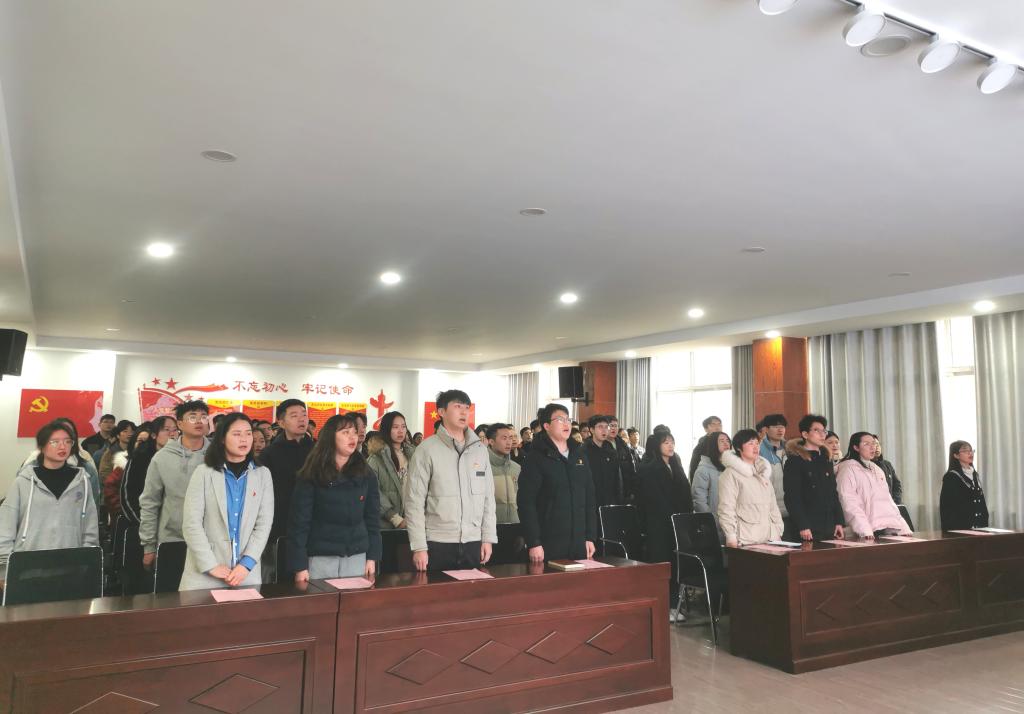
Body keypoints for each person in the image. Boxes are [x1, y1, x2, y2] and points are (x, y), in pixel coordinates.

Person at [403, 390, 497, 571]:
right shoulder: (426, 450)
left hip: (473, 541)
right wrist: (419, 546)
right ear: (441, 411)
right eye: (457, 407)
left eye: (467, 408)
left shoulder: (480, 450)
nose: (463, 412)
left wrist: (488, 538)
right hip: (438, 541)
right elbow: (414, 502)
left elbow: (488, 499)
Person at [179, 413, 273, 591]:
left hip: (245, 574)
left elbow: (264, 523)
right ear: (222, 438)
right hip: (205, 573)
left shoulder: (262, 474)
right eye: (237, 434)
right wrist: (210, 565)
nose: (244, 439)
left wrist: (247, 563)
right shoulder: (203, 472)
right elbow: (191, 524)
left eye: (248, 433)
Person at [0, 421, 100, 586]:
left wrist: (86, 560)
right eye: (55, 441)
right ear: (42, 446)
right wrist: (4, 569)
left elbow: (90, 526)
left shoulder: (82, 481)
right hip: (27, 569)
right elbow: (5, 526)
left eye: (67, 441)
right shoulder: (24, 481)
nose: (62, 446)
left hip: (71, 569)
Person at [289, 413, 380, 582]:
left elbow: (373, 519)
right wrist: (300, 565)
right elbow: (299, 523)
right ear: (331, 437)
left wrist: (372, 557)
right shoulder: (312, 473)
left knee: (356, 599)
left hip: (356, 554)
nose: (352, 437)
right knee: (321, 598)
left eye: (354, 432)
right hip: (321, 556)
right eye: (345, 432)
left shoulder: (366, 473)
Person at [517, 403, 596, 562]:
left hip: (579, 541)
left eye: (568, 419)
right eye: (560, 419)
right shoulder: (536, 458)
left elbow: (589, 499)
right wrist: (534, 542)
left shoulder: (579, 455)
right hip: (548, 541)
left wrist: (590, 536)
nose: (566, 424)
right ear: (546, 426)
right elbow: (526, 503)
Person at [139, 400, 211, 570]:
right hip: (172, 538)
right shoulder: (162, 457)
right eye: (192, 417)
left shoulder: (219, 455)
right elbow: (150, 502)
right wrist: (149, 546)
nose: (199, 421)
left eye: (203, 417)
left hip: (210, 540)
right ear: (180, 424)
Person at [638, 430, 692, 618]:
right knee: (662, 564)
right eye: (666, 442)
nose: (670, 446)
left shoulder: (676, 465)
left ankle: (676, 604)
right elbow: (652, 499)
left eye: (672, 442)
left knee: (677, 564)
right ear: (657, 446)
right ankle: (663, 606)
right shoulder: (649, 468)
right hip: (659, 524)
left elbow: (686, 493)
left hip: (678, 523)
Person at [836, 432, 912, 538]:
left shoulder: (877, 469)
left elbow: (888, 501)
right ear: (856, 447)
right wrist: (864, 529)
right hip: (860, 532)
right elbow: (848, 501)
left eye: (873, 443)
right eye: (866, 444)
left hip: (882, 529)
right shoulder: (847, 469)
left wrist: (903, 527)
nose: (872, 447)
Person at [259, 399, 313, 541]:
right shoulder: (269, 454)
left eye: (304, 415)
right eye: (294, 416)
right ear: (282, 423)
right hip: (281, 523)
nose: (301, 419)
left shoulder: (318, 451)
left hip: (313, 523)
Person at [783, 415, 844, 542]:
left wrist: (838, 521)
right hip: (807, 527)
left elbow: (833, 493)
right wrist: (802, 525)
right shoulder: (795, 460)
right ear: (805, 434)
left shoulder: (826, 459)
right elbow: (792, 497)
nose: (822, 434)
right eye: (816, 430)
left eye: (824, 431)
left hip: (829, 524)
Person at [718, 429, 783, 547]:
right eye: (750, 443)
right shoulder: (730, 474)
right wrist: (731, 537)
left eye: (757, 443)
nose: (756, 447)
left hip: (770, 538)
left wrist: (778, 530)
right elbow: (726, 509)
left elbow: (773, 507)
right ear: (739, 448)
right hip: (746, 539)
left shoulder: (763, 473)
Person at [121, 416, 178, 527]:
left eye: (175, 430)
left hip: (173, 525)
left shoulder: (182, 457)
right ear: (153, 435)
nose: (172, 434)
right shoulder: (140, 457)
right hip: (145, 522)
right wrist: (142, 523)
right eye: (166, 429)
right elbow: (129, 494)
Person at [368, 411, 415, 530]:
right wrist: (394, 518)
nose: (400, 431)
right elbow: (373, 491)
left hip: (410, 521)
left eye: (403, 427)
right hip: (385, 525)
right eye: (395, 427)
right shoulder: (376, 458)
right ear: (386, 429)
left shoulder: (413, 455)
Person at [584, 415, 624, 530]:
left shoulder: (611, 451)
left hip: (609, 501)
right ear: (592, 430)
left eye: (606, 427)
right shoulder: (584, 451)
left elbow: (617, 479)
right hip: (591, 502)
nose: (604, 430)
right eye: (600, 427)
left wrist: (618, 500)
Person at [939, 440, 989, 531]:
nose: (970, 453)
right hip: (960, 528)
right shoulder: (951, 477)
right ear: (956, 455)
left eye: (971, 450)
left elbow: (981, 504)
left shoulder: (975, 475)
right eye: (965, 450)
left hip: (980, 528)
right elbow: (948, 508)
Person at [104, 426, 151, 521]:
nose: (143, 444)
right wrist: (123, 511)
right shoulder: (123, 464)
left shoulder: (157, 463)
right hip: (129, 518)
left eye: (148, 441)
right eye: (140, 441)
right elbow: (110, 489)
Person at [692, 431, 731, 536]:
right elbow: (699, 501)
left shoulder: (731, 467)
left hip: (731, 524)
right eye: (721, 441)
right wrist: (714, 521)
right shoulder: (703, 469)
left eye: (728, 441)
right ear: (713, 445)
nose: (726, 443)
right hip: (715, 526)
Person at [487, 423, 521, 524]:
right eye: (504, 438)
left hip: (515, 523)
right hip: (490, 526)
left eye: (510, 438)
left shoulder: (516, 467)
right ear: (491, 441)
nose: (509, 442)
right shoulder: (483, 467)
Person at [758, 414, 788, 521]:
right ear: (766, 429)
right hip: (768, 511)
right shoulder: (759, 451)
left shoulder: (790, 450)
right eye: (775, 427)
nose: (780, 430)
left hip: (790, 509)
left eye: (782, 426)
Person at [871, 436, 903, 504]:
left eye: (878, 444)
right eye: (874, 444)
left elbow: (897, 484)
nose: (877, 447)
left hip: (890, 505)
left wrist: (896, 501)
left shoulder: (887, 464)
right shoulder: (863, 466)